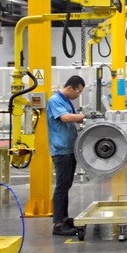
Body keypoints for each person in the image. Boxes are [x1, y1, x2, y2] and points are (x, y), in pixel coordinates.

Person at [47, 75, 86, 236]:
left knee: (66, 186)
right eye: (78, 91)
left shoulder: (67, 101)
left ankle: (64, 218)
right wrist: (83, 116)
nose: (78, 95)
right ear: (70, 88)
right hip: (61, 150)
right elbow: (65, 118)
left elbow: (74, 119)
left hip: (69, 149)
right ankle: (58, 225)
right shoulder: (55, 100)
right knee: (61, 187)